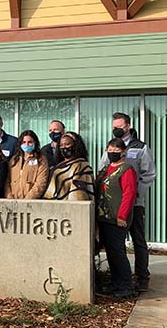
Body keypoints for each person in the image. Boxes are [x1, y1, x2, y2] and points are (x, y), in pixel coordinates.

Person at [98, 112, 156, 292]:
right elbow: (103, 170)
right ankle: (120, 280)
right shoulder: (111, 147)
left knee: (138, 240)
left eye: (119, 126)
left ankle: (142, 277)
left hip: (135, 203)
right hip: (114, 206)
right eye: (114, 126)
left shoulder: (141, 147)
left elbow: (149, 174)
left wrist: (133, 194)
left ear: (128, 126)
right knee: (115, 244)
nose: (116, 129)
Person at [96, 138, 137, 298]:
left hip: (117, 218)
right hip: (104, 217)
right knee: (111, 253)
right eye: (110, 150)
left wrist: (122, 215)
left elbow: (129, 193)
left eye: (116, 150)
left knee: (118, 253)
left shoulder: (127, 169)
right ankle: (115, 284)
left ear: (124, 151)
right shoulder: (106, 168)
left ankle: (126, 286)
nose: (113, 153)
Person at [44, 131, 94, 201]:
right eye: (61, 145)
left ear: (75, 145)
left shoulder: (81, 165)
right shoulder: (59, 165)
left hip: (71, 207)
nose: (64, 147)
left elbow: (79, 194)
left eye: (67, 144)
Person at [5, 130, 49, 199]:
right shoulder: (14, 159)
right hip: (13, 201)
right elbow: (7, 180)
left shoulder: (41, 160)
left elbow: (41, 183)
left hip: (31, 202)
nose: (27, 145)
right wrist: (9, 196)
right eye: (24, 142)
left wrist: (27, 200)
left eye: (30, 142)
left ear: (35, 143)